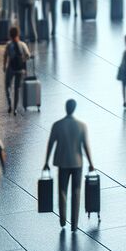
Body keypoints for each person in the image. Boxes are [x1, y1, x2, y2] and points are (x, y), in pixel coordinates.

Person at [44, 99, 95, 232]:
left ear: (66, 108)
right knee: (76, 191)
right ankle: (74, 223)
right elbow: (86, 146)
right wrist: (91, 163)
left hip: (62, 162)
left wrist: (46, 162)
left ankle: (62, 219)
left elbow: (50, 144)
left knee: (62, 190)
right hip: (77, 162)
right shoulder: (81, 125)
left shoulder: (57, 125)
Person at [3, 26, 30, 116]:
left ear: (10, 35)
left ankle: (10, 103)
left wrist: (4, 65)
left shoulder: (8, 45)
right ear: (18, 34)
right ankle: (15, 109)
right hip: (20, 69)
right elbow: (28, 55)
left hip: (11, 68)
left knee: (7, 86)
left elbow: (5, 56)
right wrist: (23, 61)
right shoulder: (22, 44)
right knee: (17, 89)